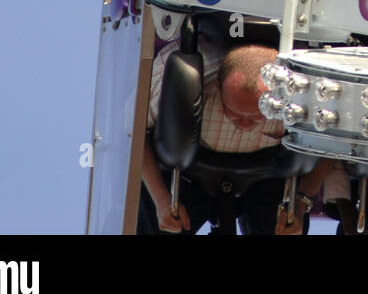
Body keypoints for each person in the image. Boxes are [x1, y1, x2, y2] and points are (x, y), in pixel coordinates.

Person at [138, 40, 348, 235]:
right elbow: (138, 136)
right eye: (234, 112)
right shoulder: (180, 77)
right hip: (188, 172)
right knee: (162, 227)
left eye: (258, 114)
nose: (245, 124)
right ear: (218, 89)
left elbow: (329, 146)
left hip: (270, 175)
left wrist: (301, 203)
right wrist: (162, 201)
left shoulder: (306, 92)